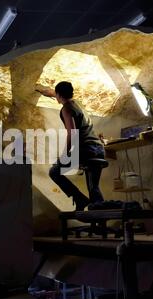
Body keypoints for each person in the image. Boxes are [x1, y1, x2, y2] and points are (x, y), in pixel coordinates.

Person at [37, 81, 105, 211]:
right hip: (98, 149)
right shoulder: (78, 103)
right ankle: (101, 224)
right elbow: (62, 95)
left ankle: (79, 198)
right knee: (94, 187)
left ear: (58, 95)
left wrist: (64, 156)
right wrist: (50, 92)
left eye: (56, 95)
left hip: (87, 150)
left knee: (54, 171)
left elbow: (72, 134)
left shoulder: (66, 109)